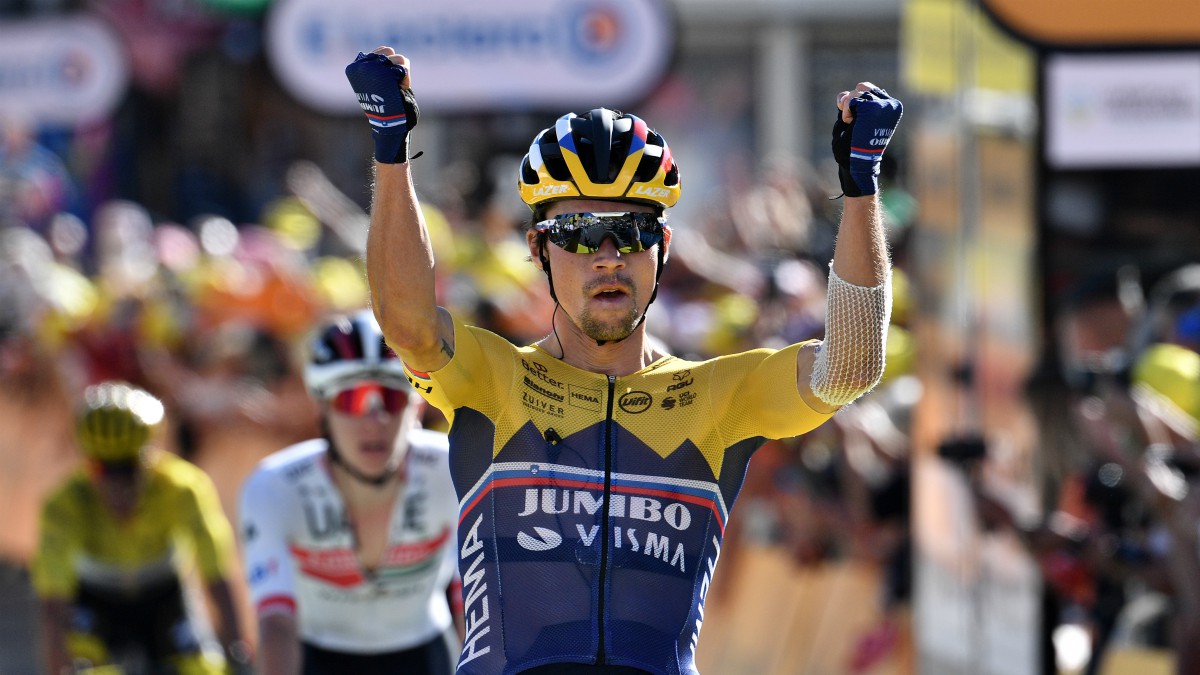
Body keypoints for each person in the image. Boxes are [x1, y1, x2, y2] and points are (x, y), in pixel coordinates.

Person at [344, 46, 902, 674]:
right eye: (578, 232)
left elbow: (851, 364)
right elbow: (408, 323)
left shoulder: (716, 397)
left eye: (633, 234)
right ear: (537, 249)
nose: (608, 256)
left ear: (663, 248)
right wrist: (391, 148)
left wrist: (860, 188)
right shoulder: (493, 379)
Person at [238, 309, 461, 674]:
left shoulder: (454, 469)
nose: (373, 421)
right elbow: (276, 625)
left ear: (417, 408)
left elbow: (475, 606)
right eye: (352, 400)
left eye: (390, 399)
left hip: (424, 654)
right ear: (322, 410)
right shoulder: (275, 486)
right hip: (317, 657)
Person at [31, 381, 250, 675]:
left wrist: (235, 651)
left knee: (203, 669)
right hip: (97, 597)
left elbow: (217, 573)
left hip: (165, 595)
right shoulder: (65, 503)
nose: (118, 484)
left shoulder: (183, 488)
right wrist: (58, 663)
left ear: (150, 455)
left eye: (129, 467)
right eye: (104, 469)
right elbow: (54, 602)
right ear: (88, 463)